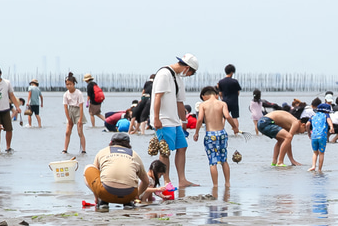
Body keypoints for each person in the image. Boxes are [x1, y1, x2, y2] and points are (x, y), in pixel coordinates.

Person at [151, 53, 200, 187]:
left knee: (182, 146)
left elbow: (180, 102)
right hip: (164, 120)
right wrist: (156, 118)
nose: (189, 76)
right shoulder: (164, 74)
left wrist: (183, 121)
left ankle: (182, 180)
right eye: (191, 73)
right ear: (187, 68)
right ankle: (166, 181)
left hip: (174, 121)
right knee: (165, 151)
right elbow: (157, 97)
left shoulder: (177, 78)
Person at [85, 133, 150, 211]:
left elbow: (95, 175)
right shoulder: (135, 155)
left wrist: (97, 196)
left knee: (89, 168)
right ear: (128, 144)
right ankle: (128, 202)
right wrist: (137, 195)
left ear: (111, 142)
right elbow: (146, 181)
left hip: (105, 193)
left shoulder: (103, 152)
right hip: (129, 195)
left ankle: (102, 201)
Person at [193, 86, 232, 188]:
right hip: (222, 133)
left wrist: (196, 133)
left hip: (210, 135)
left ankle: (215, 185)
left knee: (212, 161)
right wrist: (235, 127)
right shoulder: (222, 103)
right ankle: (227, 183)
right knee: (224, 160)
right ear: (216, 94)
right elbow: (227, 116)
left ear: (204, 96)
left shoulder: (203, 105)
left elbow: (200, 119)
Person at [62, 73, 87, 155]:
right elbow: (65, 107)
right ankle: (65, 149)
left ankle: (83, 150)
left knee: (80, 132)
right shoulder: (65, 94)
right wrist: (68, 118)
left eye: (70, 84)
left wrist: (80, 119)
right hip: (70, 111)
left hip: (78, 111)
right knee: (67, 132)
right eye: (67, 84)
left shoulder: (78, 93)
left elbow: (81, 106)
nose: (68, 86)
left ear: (73, 84)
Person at [307, 102, 333, 172]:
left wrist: (309, 132)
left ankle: (313, 166)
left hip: (314, 136)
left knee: (315, 152)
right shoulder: (326, 115)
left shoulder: (313, 116)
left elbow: (307, 124)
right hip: (322, 136)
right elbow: (329, 120)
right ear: (326, 111)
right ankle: (319, 169)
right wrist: (331, 127)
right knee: (321, 153)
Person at [217, 64, 242, 135]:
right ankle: (236, 132)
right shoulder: (235, 81)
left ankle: (221, 131)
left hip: (225, 101)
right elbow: (238, 92)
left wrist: (222, 98)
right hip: (234, 101)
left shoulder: (221, 82)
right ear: (232, 72)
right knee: (235, 117)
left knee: (223, 117)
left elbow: (220, 93)